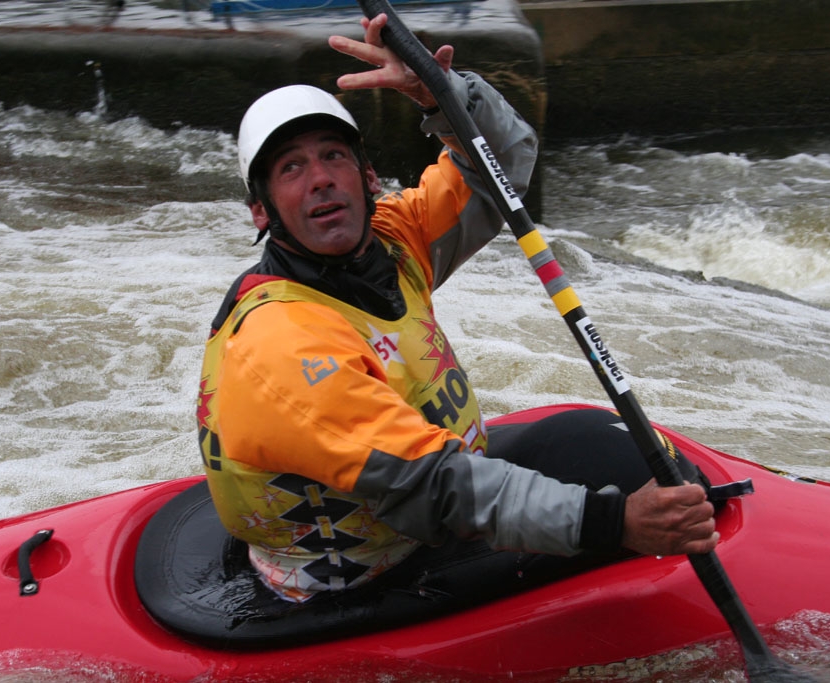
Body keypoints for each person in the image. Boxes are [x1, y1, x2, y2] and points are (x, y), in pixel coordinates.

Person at [196, 13, 718, 605]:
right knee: (620, 509)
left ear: (368, 178)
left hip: (424, 489)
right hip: (363, 572)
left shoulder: (393, 240)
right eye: (291, 168)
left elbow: (501, 166)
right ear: (261, 212)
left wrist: (442, 93)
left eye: (334, 156)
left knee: (613, 447)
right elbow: (434, 488)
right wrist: (617, 524)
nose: (319, 179)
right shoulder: (280, 343)